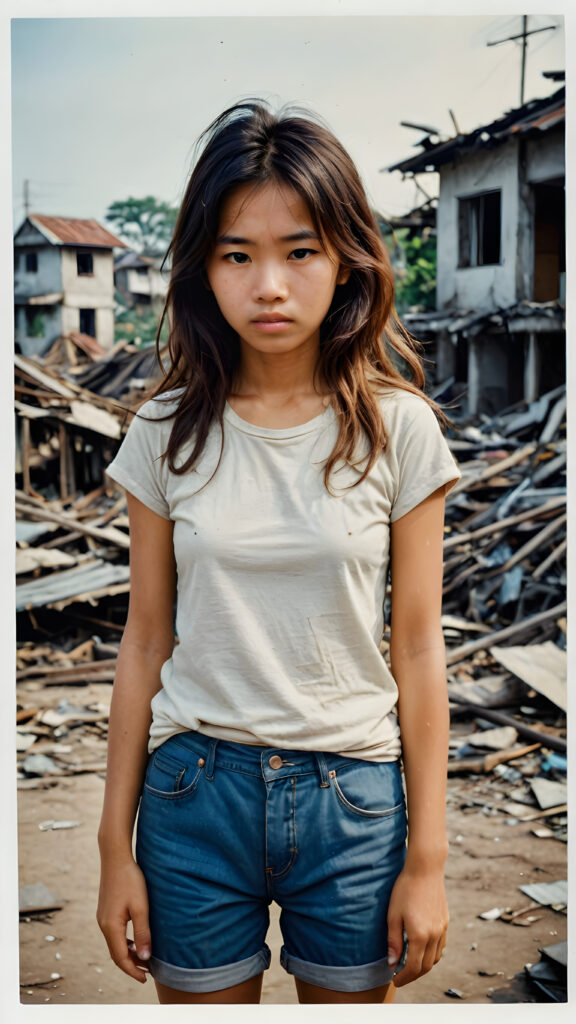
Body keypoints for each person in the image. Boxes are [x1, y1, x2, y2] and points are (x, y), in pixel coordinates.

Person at [96, 99, 461, 1005]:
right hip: (192, 799)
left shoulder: (399, 431)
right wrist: (114, 853)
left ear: (345, 261)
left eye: (299, 251)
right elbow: (144, 642)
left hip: (355, 802)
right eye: (237, 255)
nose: (270, 285)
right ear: (203, 270)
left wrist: (429, 860)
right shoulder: (164, 433)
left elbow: (418, 649)